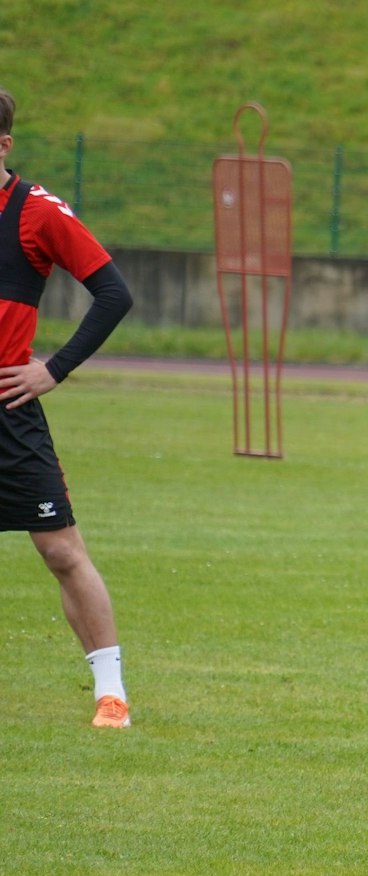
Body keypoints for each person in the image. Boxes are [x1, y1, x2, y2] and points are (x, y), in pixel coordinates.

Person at [0, 89, 136, 728]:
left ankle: (111, 694)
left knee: (60, 550)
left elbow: (113, 293)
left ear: (4, 146)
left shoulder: (35, 212)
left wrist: (52, 369)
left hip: (8, 410)